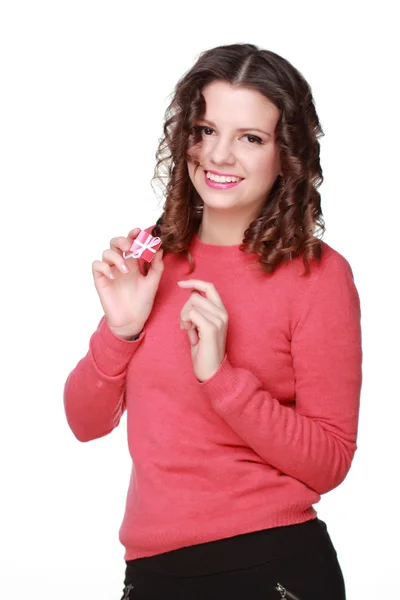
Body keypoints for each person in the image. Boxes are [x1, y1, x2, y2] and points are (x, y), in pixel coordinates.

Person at [64, 43, 363, 600]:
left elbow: (329, 463)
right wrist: (121, 331)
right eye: (205, 130)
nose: (219, 155)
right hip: (152, 572)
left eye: (250, 137)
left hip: (270, 567)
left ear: (286, 153)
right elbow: (84, 422)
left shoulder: (318, 276)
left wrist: (221, 377)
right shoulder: (151, 257)